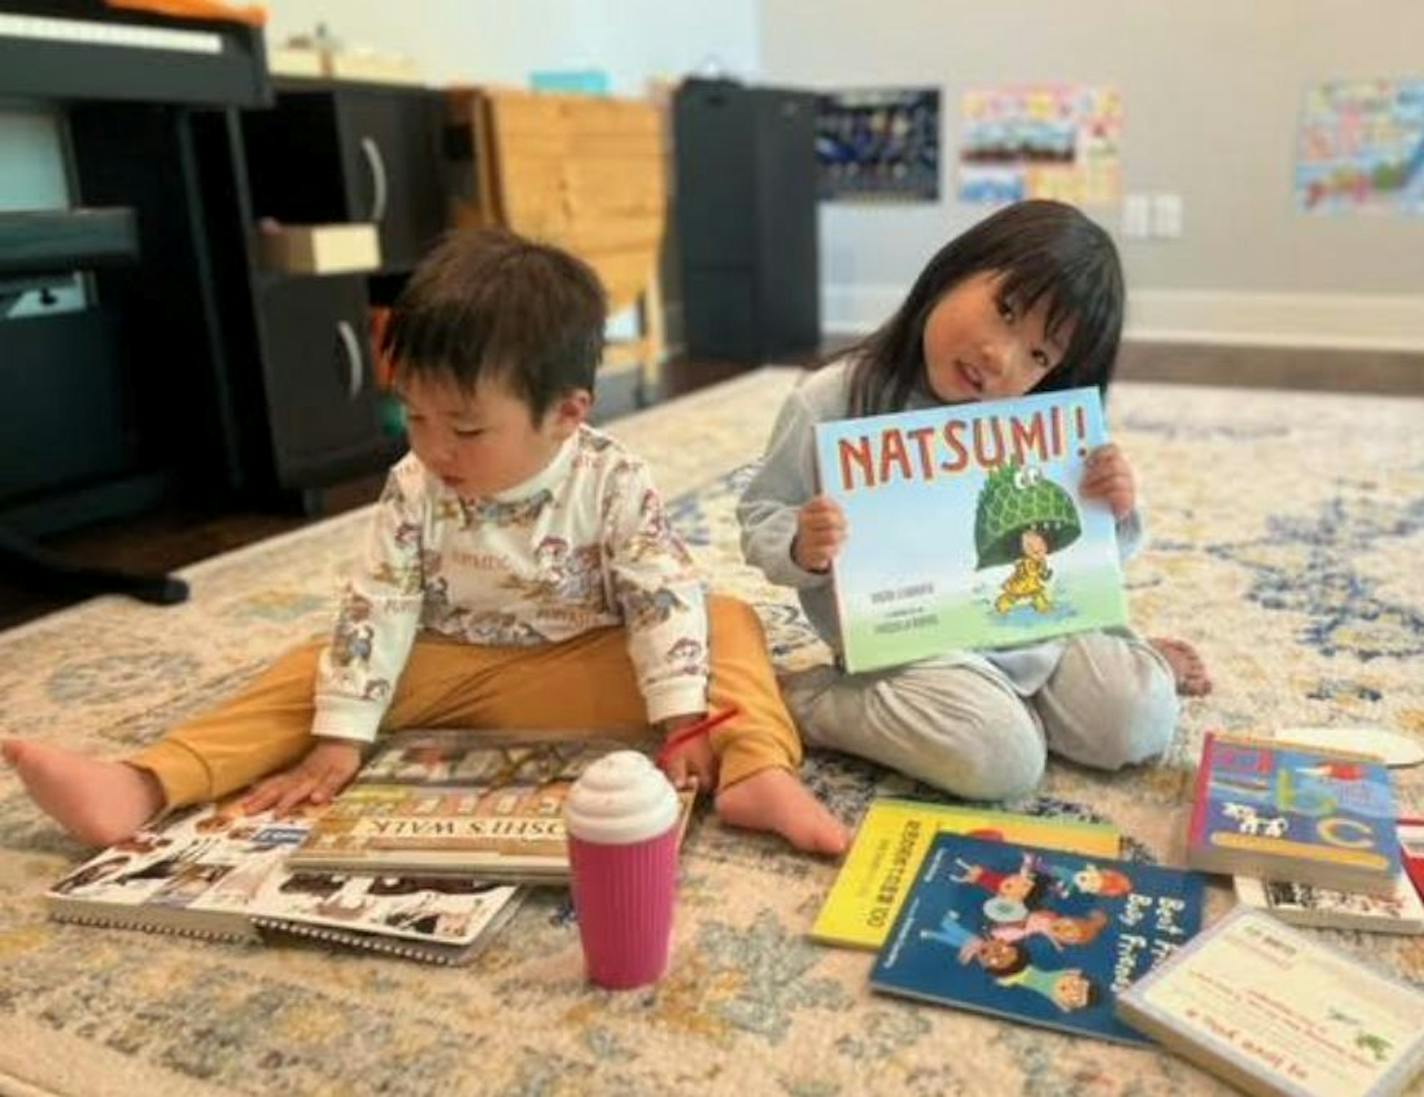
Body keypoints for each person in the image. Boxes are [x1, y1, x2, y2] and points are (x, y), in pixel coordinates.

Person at [6, 228, 848, 855]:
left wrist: (679, 719)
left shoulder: (612, 478)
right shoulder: (415, 482)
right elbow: (380, 599)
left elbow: (657, 597)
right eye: (413, 415)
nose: (434, 447)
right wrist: (342, 733)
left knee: (721, 619)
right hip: (441, 666)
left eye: (467, 427)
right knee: (319, 663)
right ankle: (146, 781)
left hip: (590, 666)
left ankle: (755, 774)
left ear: (567, 414)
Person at [737, 199, 1211, 802]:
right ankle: (806, 699)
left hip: (1032, 628)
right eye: (1005, 311)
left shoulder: (1036, 420)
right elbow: (761, 516)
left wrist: (1113, 506)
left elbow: (1089, 560)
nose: (1001, 357)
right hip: (907, 646)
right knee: (1002, 761)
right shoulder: (831, 400)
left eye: (1039, 355)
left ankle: (1040, 694)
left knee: (1140, 719)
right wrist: (803, 545)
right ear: (955, 270)